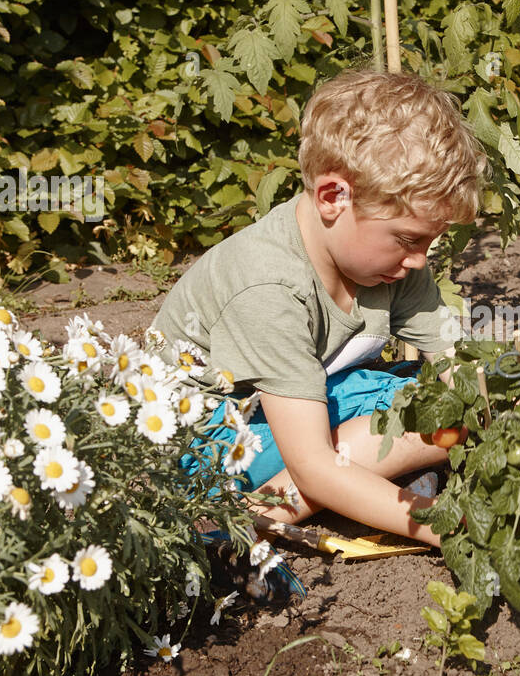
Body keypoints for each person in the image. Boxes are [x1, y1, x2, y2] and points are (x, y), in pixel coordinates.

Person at [149, 67, 486, 552]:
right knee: (415, 416)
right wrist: (444, 526)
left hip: (283, 413)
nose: (420, 260)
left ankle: (273, 507)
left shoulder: (394, 265)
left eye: (430, 242)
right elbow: (313, 463)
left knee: (439, 402)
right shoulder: (268, 286)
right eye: (410, 240)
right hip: (207, 446)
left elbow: (460, 367)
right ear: (333, 197)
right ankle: (241, 515)